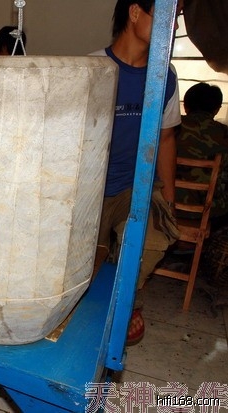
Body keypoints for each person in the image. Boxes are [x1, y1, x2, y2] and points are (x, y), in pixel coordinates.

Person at [92, 0, 183, 345]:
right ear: (134, 13)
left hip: (135, 187)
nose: (175, 27)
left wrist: (169, 198)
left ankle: (125, 300)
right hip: (91, 190)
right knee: (85, 263)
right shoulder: (93, 69)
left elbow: (166, 137)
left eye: (178, 18)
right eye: (168, 16)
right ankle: (97, 299)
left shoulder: (165, 77)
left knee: (153, 239)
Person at [176, 82, 228, 229]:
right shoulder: (224, 134)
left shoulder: (168, 129)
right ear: (217, 109)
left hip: (164, 206)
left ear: (185, 106)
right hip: (212, 213)